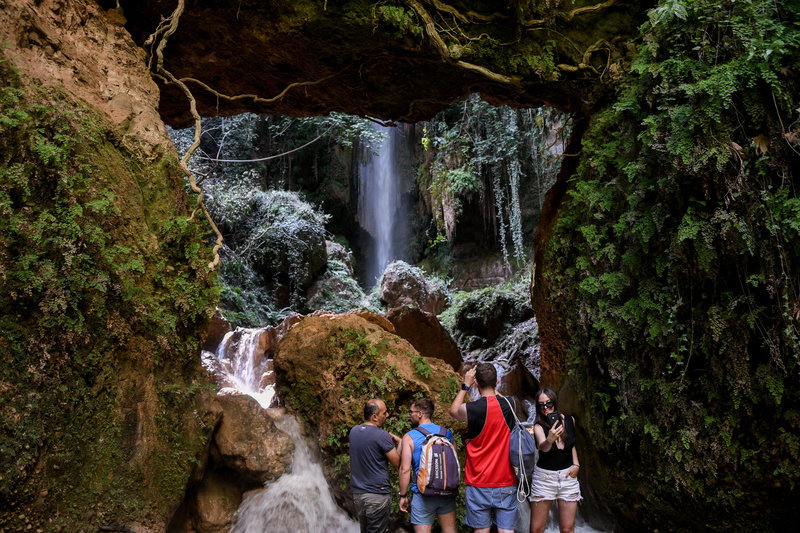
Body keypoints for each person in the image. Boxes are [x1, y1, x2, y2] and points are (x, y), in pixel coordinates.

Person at [449, 363, 518, 533]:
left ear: (476, 383)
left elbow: (453, 411)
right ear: (497, 382)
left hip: (479, 482)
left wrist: (466, 385)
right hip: (506, 481)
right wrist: (493, 387)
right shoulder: (510, 404)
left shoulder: (471, 409)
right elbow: (500, 399)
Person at [398, 397, 458, 533]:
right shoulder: (446, 433)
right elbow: (453, 462)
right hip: (446, 492)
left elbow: (405, 469)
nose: (409, 415)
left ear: (420, 414)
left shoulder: (409, 437)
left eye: (411, 412)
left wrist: (403, 495)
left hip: (422, 494)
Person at [527, 388, 582, 533]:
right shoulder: (539, 426)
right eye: (541, 405)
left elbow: (571, 445)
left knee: (567, 529)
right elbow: (542, 447)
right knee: (537, 529)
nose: (545, 408)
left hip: (568, 477)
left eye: (548, 404)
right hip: (545, 479)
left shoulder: (570, 420)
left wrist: (576, 464)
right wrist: (549, 440)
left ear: (555, 403)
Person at [349, 398, 402, 533]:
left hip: (358, 495)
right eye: (384, 413)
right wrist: (400, 444)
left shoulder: (354, 431)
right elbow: (397, 463)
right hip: (377, 494)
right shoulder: (381, 435)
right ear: (374, 417)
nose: (387, 415)